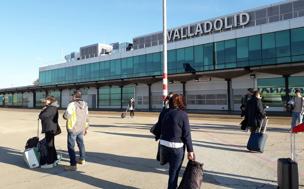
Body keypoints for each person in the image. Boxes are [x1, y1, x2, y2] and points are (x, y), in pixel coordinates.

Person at [159, 94, 195, 189]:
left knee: (171, 171)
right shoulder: (183, 114)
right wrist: (190, 151)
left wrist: (166, 102)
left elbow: (158, 126)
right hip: (176, 147)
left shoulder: (164, 112)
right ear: (180, 102)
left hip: (163, 146)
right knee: (173, 173)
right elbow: (187, 134)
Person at [63, 90, 89, 171]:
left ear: (74, 96)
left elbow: (66, 116)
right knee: (81, 144)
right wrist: (86, 127)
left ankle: (73, 165)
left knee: (71, 146)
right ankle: (82, 159)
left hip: (73, 128)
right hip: (81, 128)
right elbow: (87, 117)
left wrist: (64, 114)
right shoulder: (85, 104)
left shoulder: (72, 104)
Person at [38, 96, 61, 168]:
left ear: (50, 100)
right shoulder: (53, 107)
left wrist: (42, 110)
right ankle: (54, 159)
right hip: (51, 128)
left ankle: (50, 162)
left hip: (49, 129)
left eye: (47, 100)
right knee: (51, 145)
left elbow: (42, 116)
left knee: (49, 146)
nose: (45, 101)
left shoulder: (51, 108)